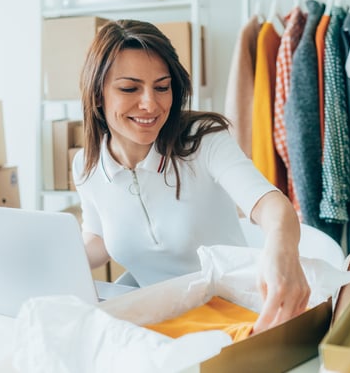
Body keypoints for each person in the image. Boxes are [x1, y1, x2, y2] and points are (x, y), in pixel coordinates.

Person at [72, 19, 309, 332]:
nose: (150, 104)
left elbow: (272, 206)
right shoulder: (86, 165)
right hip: (158, 321)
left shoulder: (204, 140)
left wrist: (281, 246)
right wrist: (49, 257)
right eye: (130, 88)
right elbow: (99, 240)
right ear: (97, 94)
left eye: (162, 87)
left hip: (233, 314)